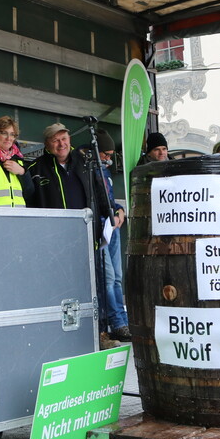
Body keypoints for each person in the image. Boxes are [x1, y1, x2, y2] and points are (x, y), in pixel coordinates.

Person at [26, 123, 115, 346]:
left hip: (86, 239)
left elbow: (101, 192)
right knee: (58, 289)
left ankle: (99, 335)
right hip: (53, 243)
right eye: (55, 140)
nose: (61, 144)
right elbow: (30, 204)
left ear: (69, 140)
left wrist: (114, 210)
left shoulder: (86, 163)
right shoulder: (36, 168)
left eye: (64, 138)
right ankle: (61, 338)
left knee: (93, 288)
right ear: (47, 144)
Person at [95, 130, 129, 344]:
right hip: (101, 227)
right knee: (108, 278)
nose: (108, 158)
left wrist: (119, 210)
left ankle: (122, 321)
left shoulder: (105, 171)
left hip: (112, 225)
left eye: (110, 155)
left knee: (116, 276)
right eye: (105, 154)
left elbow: (109, 200)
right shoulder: (89, 168)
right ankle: (116, 322)